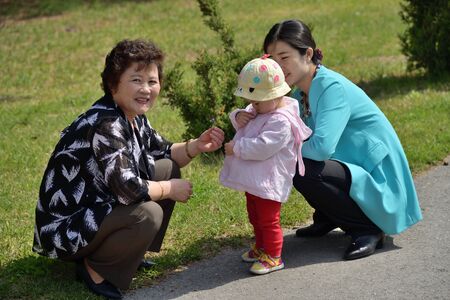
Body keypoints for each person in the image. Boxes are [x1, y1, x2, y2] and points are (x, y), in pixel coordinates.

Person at [32, 39, 224, 299]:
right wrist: (170, 189)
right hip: (65, 230)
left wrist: (196, 146)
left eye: (152, 81)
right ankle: (95, 269)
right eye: (136, 80)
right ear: (113, 84)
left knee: (167, 168)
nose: (146, 89)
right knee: (148, 212)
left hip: (97, 205)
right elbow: (128, 190)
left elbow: (165, 152)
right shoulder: (106, 123)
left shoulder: (132, 116)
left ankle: (127, 255)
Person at [258, 19, 422, 260]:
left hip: (381, 177)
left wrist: (282, 149)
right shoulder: (298, 92)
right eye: (272, 60)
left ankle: (367, 229)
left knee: (302, 167)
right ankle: (328, 216)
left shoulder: (330, 86)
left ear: (308, 54)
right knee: (297, 163)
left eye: (284, 57)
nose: (278, 67)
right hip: (356, 165)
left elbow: (322, 148)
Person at [220, 56, 312, 275]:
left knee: (268, 219)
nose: (253, 105)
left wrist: (237, 147)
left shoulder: (280, 120)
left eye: (258, 101)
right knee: (254, 214)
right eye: (252, 101)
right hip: (255, 178)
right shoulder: (262, 108)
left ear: (277, 95)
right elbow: (248, 117)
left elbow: (263, 146)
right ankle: (260, 247)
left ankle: (273, 255)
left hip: (269, 178)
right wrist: (238, 115)